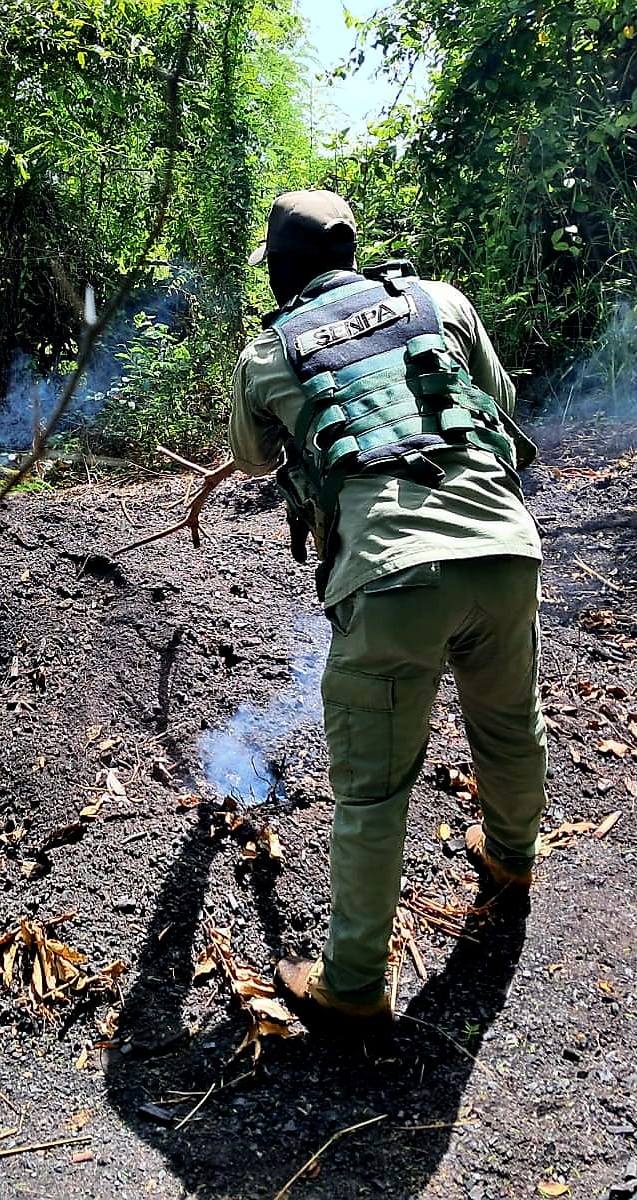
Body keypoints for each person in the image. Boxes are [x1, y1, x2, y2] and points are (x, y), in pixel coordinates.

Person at [227, 189, 548, 1019]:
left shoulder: (269, 350)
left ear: (282, 274)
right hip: (505, 547)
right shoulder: (436, 303)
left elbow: (254, 458)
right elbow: (501, 406)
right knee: (510, 722)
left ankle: (355, 984)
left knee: (374, 787)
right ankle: (513, 856)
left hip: (391, 574)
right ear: (351, 252)